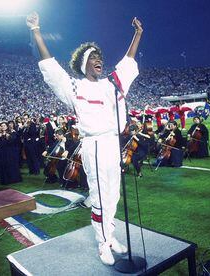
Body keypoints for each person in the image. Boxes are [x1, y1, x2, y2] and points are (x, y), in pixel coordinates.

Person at [27, 11, 142, 265]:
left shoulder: (112, 84)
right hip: (95, 145)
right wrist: (36, 31)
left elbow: (128, 61)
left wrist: (137, 34)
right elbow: (52, 68)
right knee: (100, 196)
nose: (99, 60)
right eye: (93, 58)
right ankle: (103, 244)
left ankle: (110, 237)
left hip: (113, 143)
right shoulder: (76, 87)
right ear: (83, 65)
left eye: (100, 57)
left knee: (113, 196)